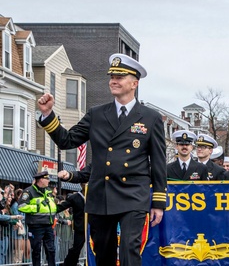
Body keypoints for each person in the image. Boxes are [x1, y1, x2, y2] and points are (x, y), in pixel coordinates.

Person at [37, 53, 167, 266]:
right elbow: (67, 140)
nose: (113, 81)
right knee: (103, 253)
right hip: (102, 194)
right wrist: (48, 115)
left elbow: (159, 162)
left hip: (134, 194)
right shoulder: (97, 114)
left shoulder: (150, 118)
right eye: (112, 76)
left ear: (134, 83)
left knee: (129, 249)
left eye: (120, 76)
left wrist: (158, 202)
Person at [18, 171, 57, 266]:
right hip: (36, 225)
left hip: (48, 225)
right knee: (36, 250)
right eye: (47, 179)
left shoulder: (48, 192)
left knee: (51, 250)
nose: (48, 181)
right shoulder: (29, 191)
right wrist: (36, 207)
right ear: (41, 180)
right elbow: (21, 206)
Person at [56, 185, 85, 266]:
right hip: (80, 228)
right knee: (76, 249)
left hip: (93, 227)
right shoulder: (75, 197)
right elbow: (61, 207)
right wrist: (49, 210)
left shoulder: (94, 196)